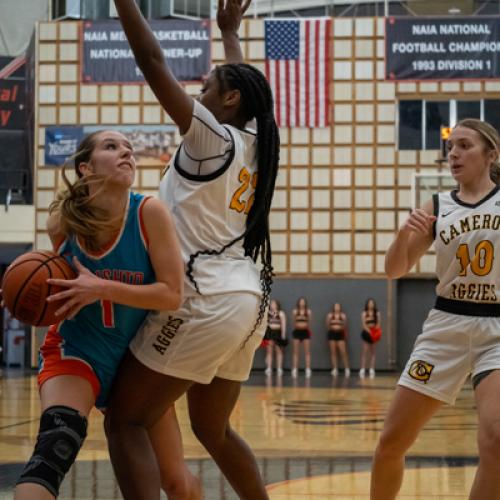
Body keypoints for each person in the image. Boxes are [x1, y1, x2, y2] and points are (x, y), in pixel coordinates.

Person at [105, 0, 280, 499]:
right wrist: (229, 33)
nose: (198, 94)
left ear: (226, 101)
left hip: (205, 297)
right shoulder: (254, 139)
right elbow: (242, 85)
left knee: (126, 421)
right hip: (249, 300)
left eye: (206, 88)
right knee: (212, 429)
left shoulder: (211, 137)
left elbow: (152, 61)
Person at [11, 131, 199, 500]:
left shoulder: (149, 213)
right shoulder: (61, 224)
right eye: (111, 147)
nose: (126, 151)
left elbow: (172, 295)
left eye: (128, 147)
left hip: (137, 361)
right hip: (77, 350)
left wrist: (102, 288)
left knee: (176, 483)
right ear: (85, 167)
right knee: (55, 445)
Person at [371, 118, 500, 500]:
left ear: (491, 154)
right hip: (446, 325)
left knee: (495, 439)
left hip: (496, 326)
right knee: (391, 442)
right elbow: (394, 270)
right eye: (451, 147)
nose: (454, 154)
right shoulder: (438, 205)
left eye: (465, 146)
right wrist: (403, 234)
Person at [326, 302, 350, 377]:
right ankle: (335, 369)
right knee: (333, 352)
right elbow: (327, 325)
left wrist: (339, 329)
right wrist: (333, 328)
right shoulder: (330, 315)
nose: (337, 307)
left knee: (343, 352)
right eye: (335, 306)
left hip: (340, 335)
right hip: (332, 334)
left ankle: (347, 368)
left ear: (340, 307)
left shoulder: (342, 316)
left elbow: (345, 326)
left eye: (338, 306)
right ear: (333, 307)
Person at [359, 298, 381, 379]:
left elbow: (378, 324)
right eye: (369, 303)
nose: (371, 304)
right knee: (365, 351)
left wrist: (375, 332)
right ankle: (362, 369)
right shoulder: (364, 313)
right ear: (367, 304)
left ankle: (372, 368)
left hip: (374, 333)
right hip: (366, 333)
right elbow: (364, 324)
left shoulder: (377, 313)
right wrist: (369, 332)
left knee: (373, 352)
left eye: (372, 303)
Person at [264, 299, 287, 376]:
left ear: (277, 305)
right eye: (271, 303)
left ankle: (279, 368)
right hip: (270, 333)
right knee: (269, 351)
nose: (272, 305)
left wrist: (283, 337)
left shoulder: (281, 313)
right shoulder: (267, 313)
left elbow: (283, 325)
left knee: (279, 351)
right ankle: (269, 368)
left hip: (278, 334)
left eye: (274, 303)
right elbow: (265, 324)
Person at [291, 297, 312, 378]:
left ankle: (308, 369)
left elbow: (310, 322)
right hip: (297, 332)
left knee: (307, 352)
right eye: (301, 301)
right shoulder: (295, 311)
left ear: (305, 303)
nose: (302, 303)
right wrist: (298, 326)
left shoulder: (308, 312)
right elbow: (293, 322)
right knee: (295, 352)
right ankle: (295, 369)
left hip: (305, 332)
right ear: (298, 303)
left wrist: (305, 326)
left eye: (303, 302)